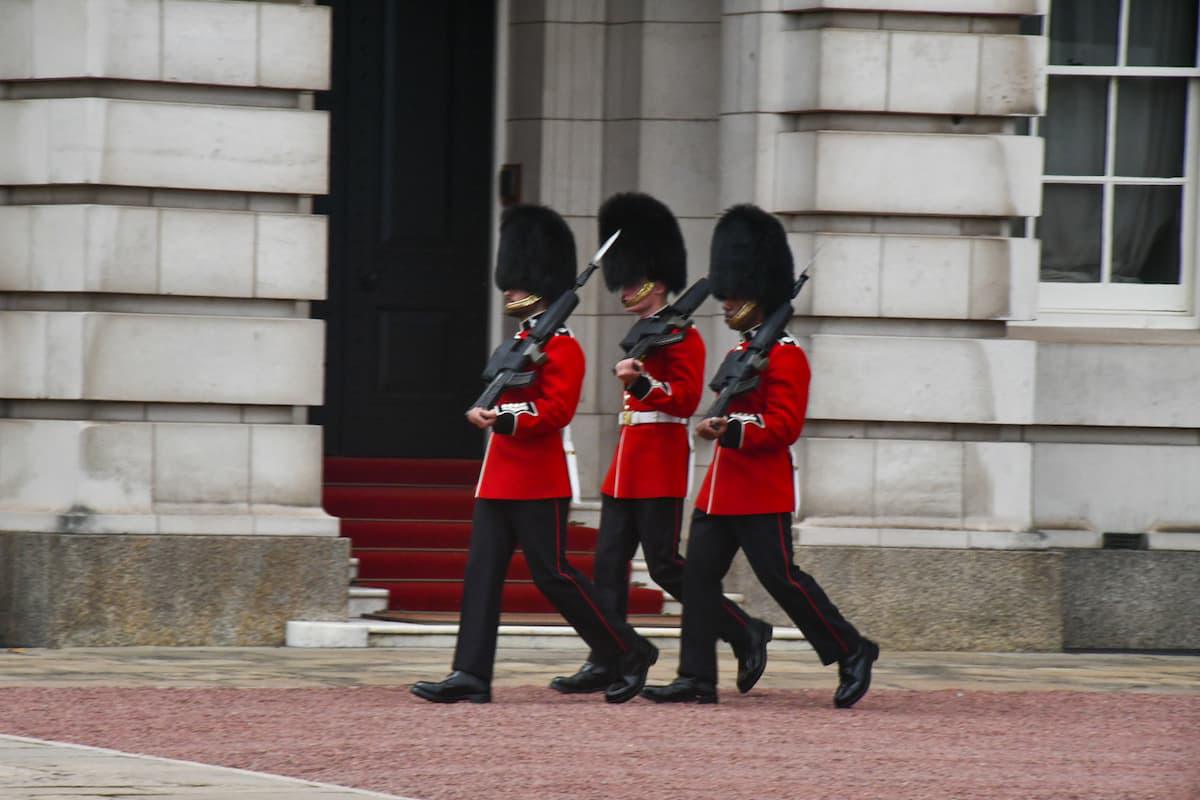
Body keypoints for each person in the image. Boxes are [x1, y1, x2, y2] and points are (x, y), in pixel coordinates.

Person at [410, 204, 658, 705]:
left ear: (540, 283)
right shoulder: (518, 343)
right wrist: (487, 413)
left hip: (539, 476)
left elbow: (556, 410)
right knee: (482, 572)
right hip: (498, 476)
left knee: (554, 574)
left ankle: (628, 649)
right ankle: (471, 674)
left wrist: (501, 418)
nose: (509, 289)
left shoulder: (562, 346)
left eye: (518, 282)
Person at [641, 204, 878, 706]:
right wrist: (712, 425)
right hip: (721, 489)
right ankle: (697, 677)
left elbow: (784, 425)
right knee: (700, 581)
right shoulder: (737, 354)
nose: (725, 305)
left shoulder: (786, 354)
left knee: (782, 578)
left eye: (735, 297)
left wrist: (732, 429)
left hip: (760, 488)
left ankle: (851, 648)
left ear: (759, 294)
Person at [549, 192, 774, 697]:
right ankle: (608, 655)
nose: (627, 290)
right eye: (624, 281)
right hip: (627, 462)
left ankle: (742, 629)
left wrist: (643, 384)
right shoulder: (645, 332)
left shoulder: (685, 336)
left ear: (658, 279)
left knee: (665, 565)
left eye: (634, 281)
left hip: (660, 462)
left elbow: (687, 398)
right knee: (607, 564)